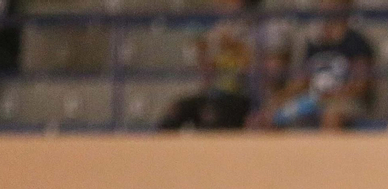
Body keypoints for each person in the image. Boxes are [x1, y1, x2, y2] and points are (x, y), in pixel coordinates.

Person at [270, 0, 374, 130]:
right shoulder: (314, 44)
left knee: (331, 116)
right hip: (312, 99)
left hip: (344, 101)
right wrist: (279, 99)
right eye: (325, 3)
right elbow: (300, 82)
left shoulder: (357, 43)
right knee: (268, 116)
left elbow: (361, 85)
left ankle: (328, 150)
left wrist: (332, 95)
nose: (328, 7)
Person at [160, 0, 256, 130]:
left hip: (237, 96)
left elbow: (255, 67)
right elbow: (208, 74)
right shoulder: (219, 29)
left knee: (210, 116)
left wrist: (235, 45)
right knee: (175, 111)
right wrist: (203, 53)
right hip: (213, 94)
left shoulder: (254, 28)